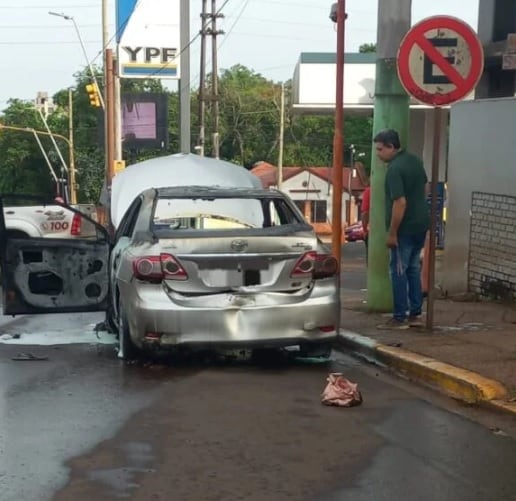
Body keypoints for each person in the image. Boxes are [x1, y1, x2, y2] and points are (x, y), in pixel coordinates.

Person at [374, 129, 429, 330]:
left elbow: (400, 202)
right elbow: (425, 187)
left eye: (380, 149)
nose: (378, 154)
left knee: (398, 271)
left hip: (404, 229)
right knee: (414, 269)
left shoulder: (394, 169)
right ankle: (416, 313)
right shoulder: (415, 161)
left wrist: (392, 232)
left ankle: (399, 316)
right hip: (420, 225)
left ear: (391, 147)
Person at [361, 183, 371, 262]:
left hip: (372, 230)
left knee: (371, 257)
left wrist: (364, 230)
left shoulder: (369, 192)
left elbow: (365, 213)